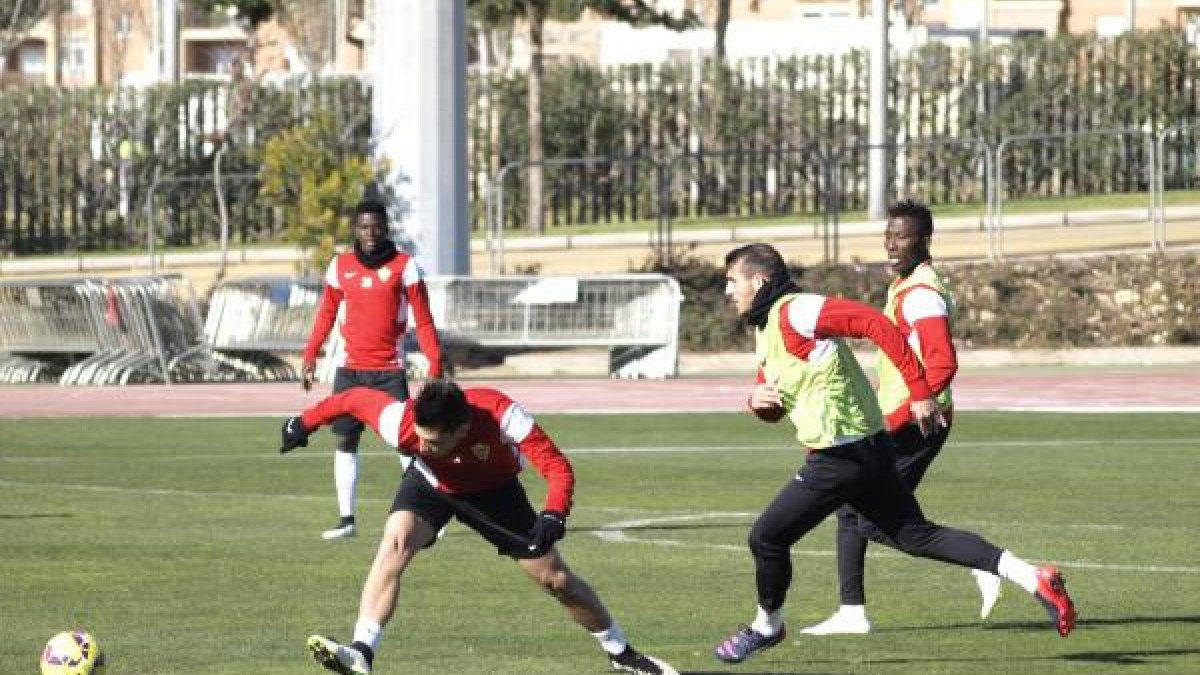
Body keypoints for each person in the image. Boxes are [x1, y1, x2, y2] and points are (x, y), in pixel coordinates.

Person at [713, 242, 1076, 665]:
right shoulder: (767, 328)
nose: (727, 291)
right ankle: (1032, 577)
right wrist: (757, 402)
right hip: (869, 450)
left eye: (732, 281)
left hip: (840, 457)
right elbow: (775, 403)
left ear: (759, 281)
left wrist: (919, 390)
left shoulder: (798, 310)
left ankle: (767, 627)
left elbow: (874, 323)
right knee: (915, 535)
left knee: (767, 537)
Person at [278, 379, 677, 675]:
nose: (422, 446)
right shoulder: (402, 422)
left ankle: (622, 654)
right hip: (431, 485)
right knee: (395, 542)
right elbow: (350, 398)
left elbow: (556, 466)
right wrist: (303, 422)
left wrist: (555, 513)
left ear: (462, 429)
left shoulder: (502, 415)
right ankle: (362, 651)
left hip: (495, 492)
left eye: (433, 443)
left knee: (556, 581)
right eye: (420, 439)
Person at [800, 200, 1002, 636]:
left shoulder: (923, 294)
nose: (891, 244)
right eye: (888, 236)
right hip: (893, 419)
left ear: (924, 241)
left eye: (902, 236)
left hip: (915, 426)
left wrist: (912, 407)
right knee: (851, 507)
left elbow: (942, 362)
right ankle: (851, 611)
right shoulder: (903, 285)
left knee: (878, 522)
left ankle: (984, 560)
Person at [301, 199, 444, 540]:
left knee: (408, 443)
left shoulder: (405, 267)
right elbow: (326, 313)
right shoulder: (340, 266)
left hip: (389, 371)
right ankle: (346, 520)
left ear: (386, 228)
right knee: (345, 440)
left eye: (376, 226)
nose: (370, 233)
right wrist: (311, 354)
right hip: (350, 370)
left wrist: (435, 363)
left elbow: (423, 319)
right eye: (364, 227)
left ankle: (429, 516)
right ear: (356, 229)